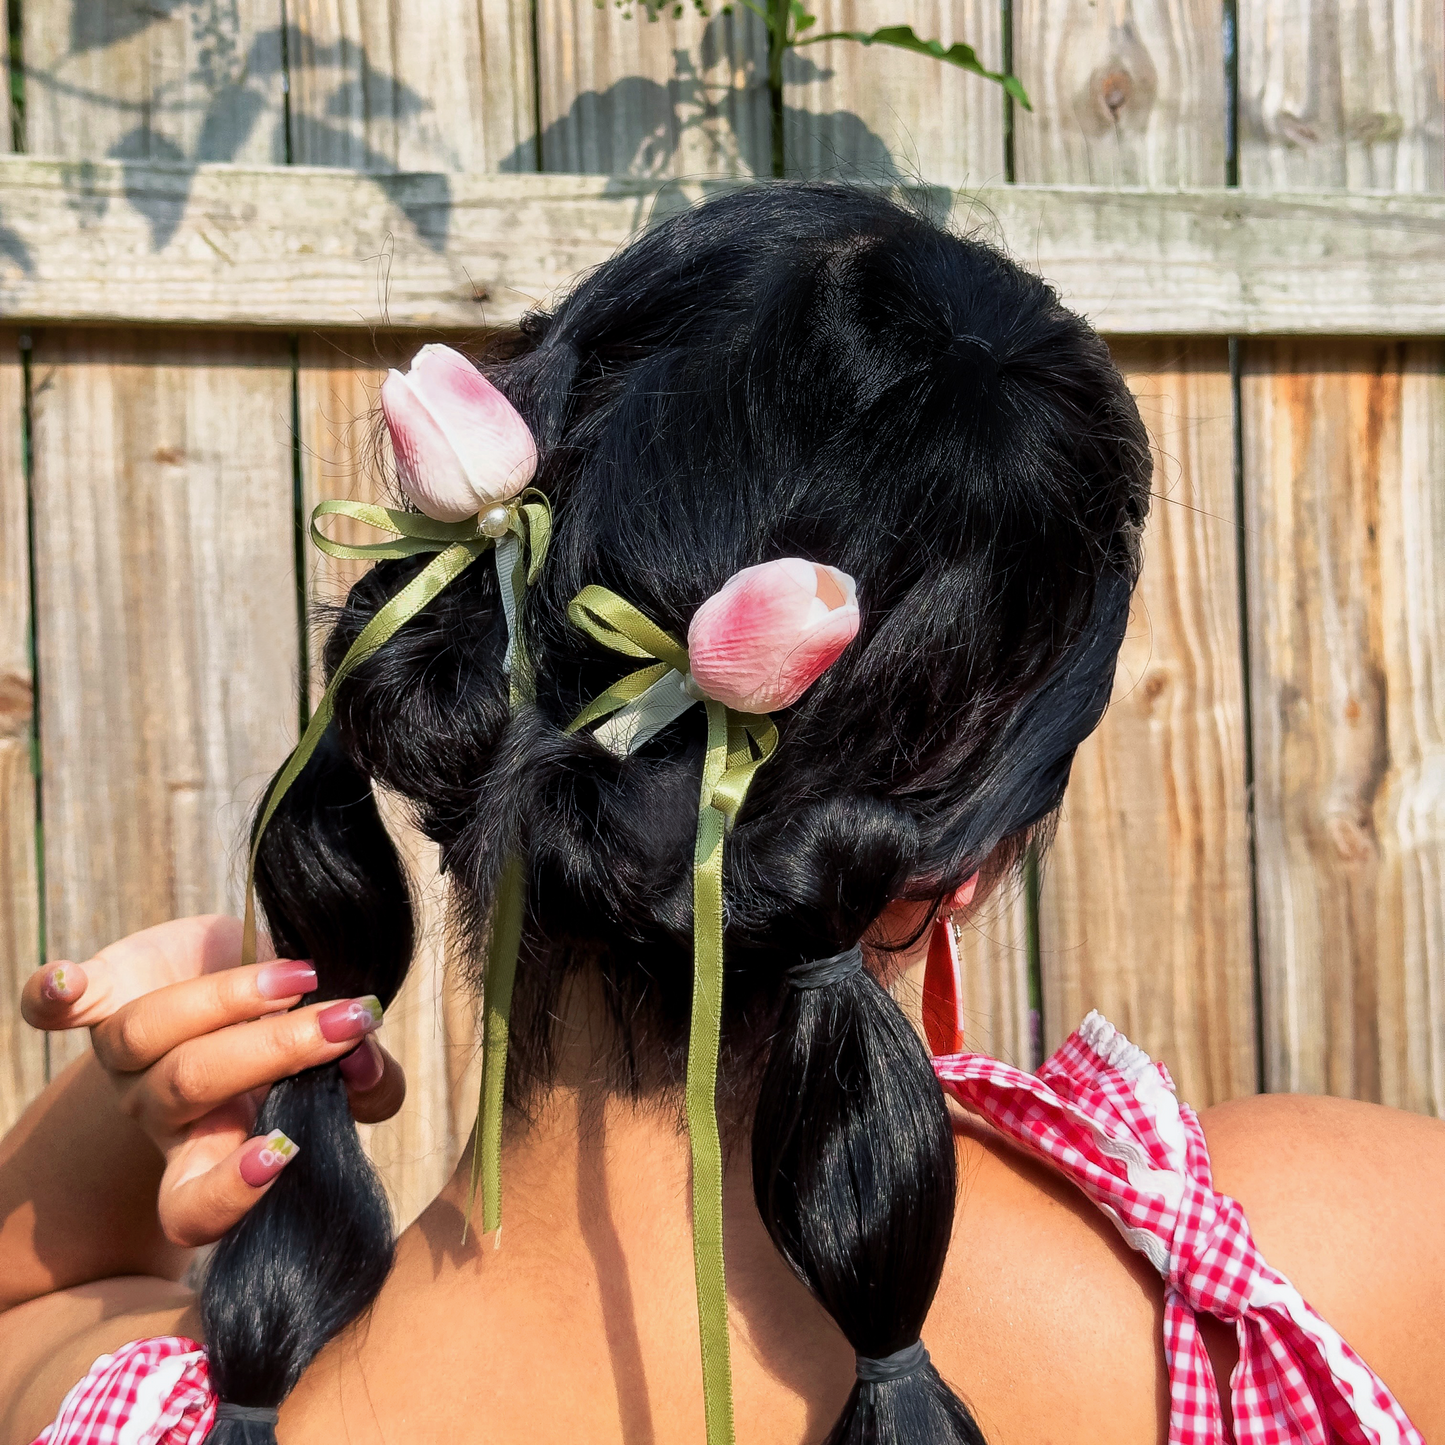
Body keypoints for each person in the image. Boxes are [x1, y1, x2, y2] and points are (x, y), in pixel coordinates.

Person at [0, 183, 1441, 1445]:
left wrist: (124, 1117)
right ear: (962, 860)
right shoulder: (1316, 1273)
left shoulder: (154, 1408)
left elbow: (36, 1293)